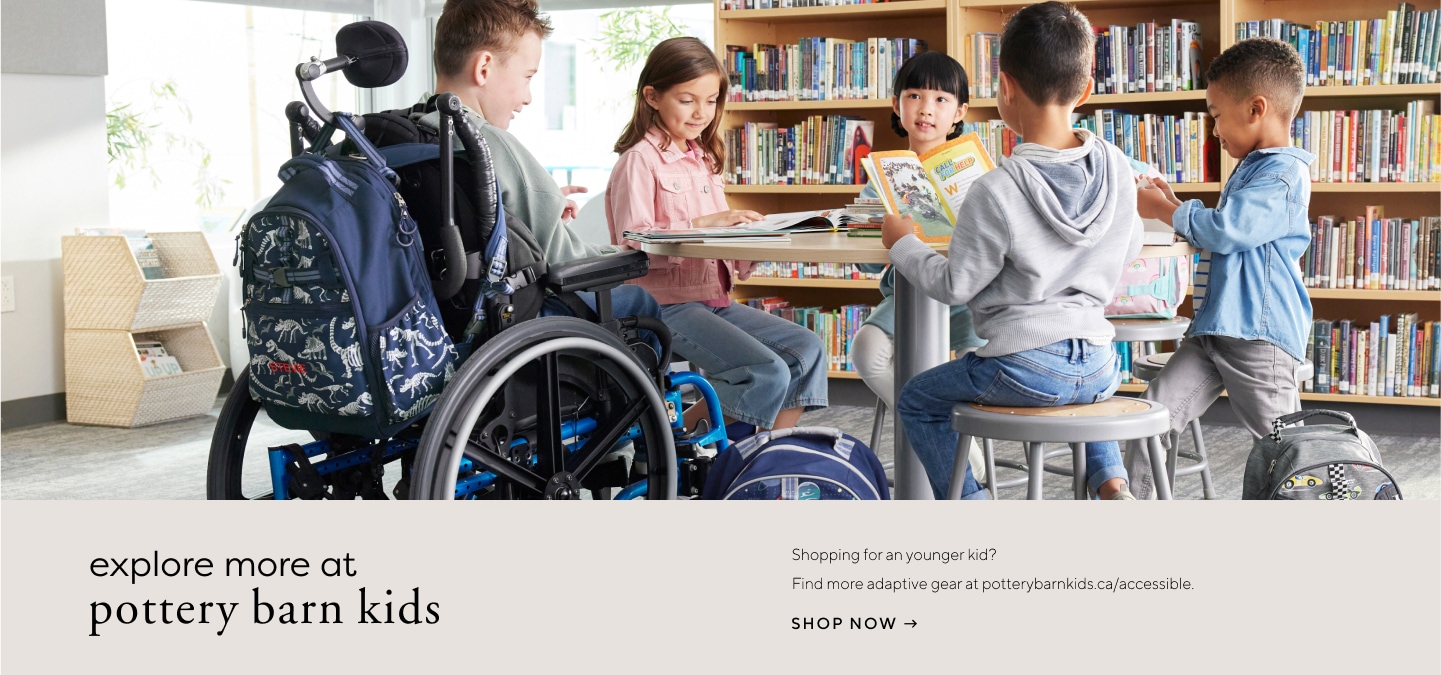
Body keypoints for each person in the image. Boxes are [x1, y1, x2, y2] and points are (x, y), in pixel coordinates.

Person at [882, 1, 1141, 500]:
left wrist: (904, 244)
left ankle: (975, 504)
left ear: (1003, 87)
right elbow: (1126, 249)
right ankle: (1112, 484)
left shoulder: (996, 189)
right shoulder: (1117, 166)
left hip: (1025, 367)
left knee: (916, 398)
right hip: (1102, 362)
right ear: (1085, 90)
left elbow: (954, 285)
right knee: (1084, 388)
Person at [606, 37, 828, 432]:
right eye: (688, 100)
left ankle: (773, 458)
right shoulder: (638, 160)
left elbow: (720, 245)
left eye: (710, 101)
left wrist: (762, 234)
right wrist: (701, 225)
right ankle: (669, 442)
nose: (702, 113)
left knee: (806, 349)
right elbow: (633, 239)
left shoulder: (703, 158)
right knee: (765, 370)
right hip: (662, 306)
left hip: (711, 299)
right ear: (653, 97)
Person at [1130, 37, 1313, 499]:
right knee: (1151, 414)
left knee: (1283, 450)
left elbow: (1229, 231)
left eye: (1214, 114)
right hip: (1214, 332)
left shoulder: (1283, 174)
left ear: (1256, 108)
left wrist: (1169, 211)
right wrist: (1169, 204)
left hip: (1258, 338)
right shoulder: (1252, 169)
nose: (1213, 130)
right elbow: (1222, 235)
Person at [426, 0, 664, 350]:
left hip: (437, 320)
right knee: (641, 306)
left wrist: (539, 207)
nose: (527, 98)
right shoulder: (490, 145)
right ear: (484, 68)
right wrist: (623, 252)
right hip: (506, 321)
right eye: (527, 77)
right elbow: (565, 259)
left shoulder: (401, 133)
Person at [848, 51, 987, 409]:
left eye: (941, 99)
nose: (926, 108)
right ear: (897, 106)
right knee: (866, 349)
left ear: (959, 113)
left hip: (966, 294)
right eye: (914, 96)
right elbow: (865, 262)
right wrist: (880, 229)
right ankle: (941, 434)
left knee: (979, 361)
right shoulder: (880, 176)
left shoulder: (977, 176)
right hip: (906, 296)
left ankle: (960, 450)